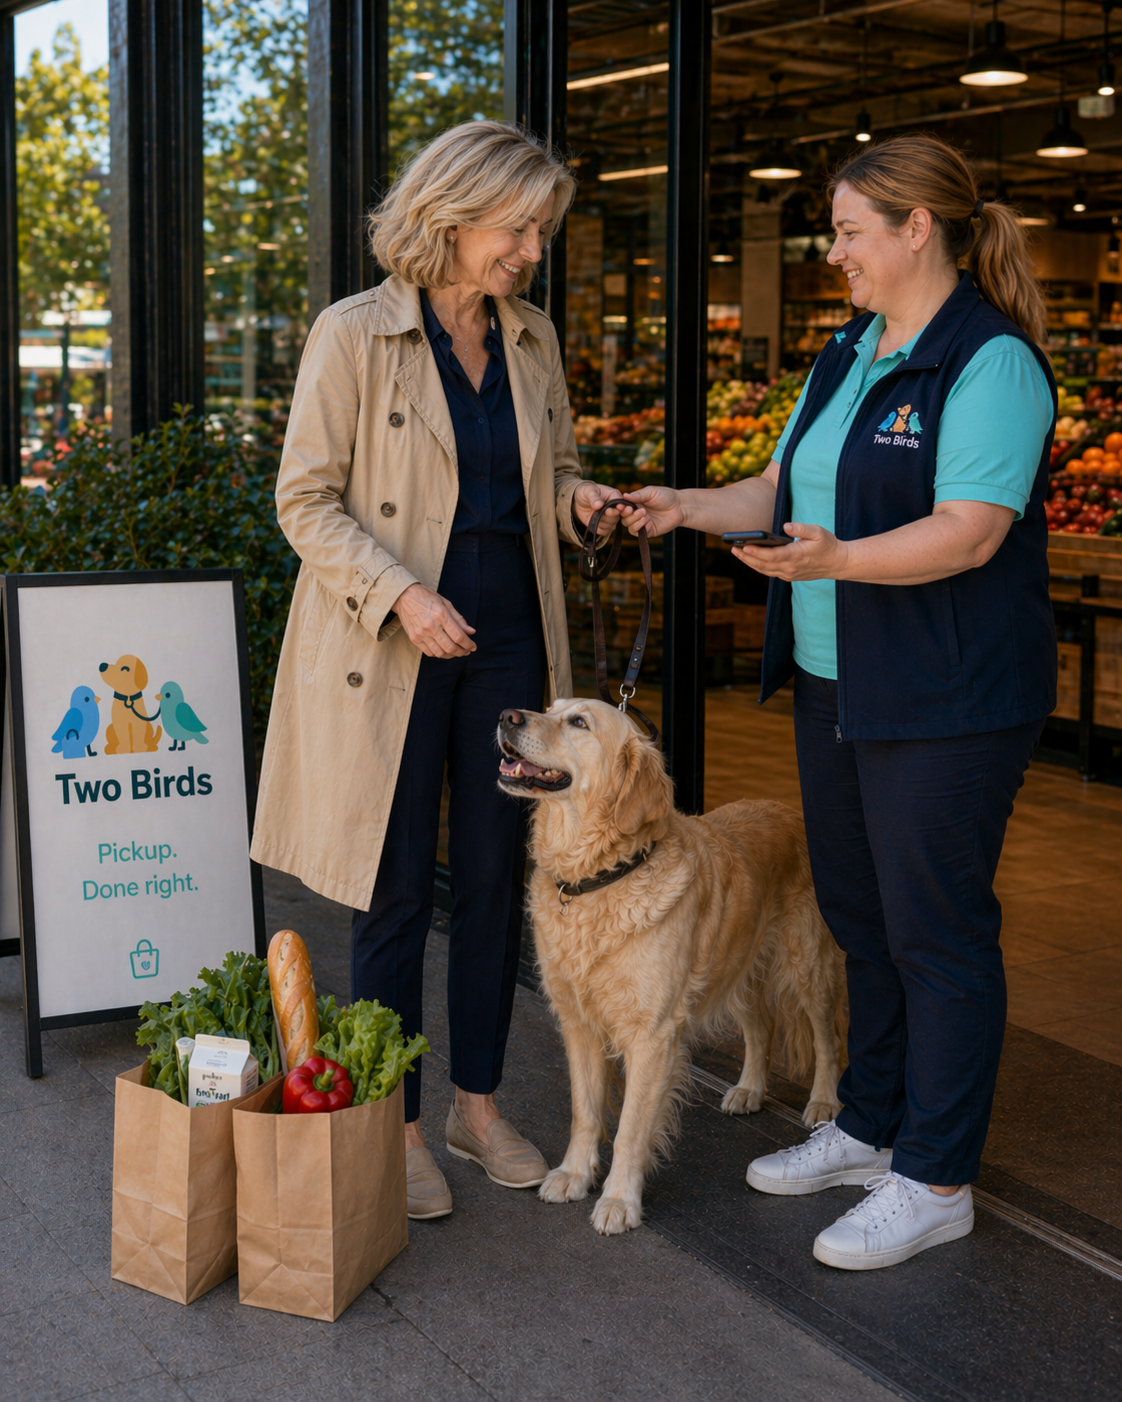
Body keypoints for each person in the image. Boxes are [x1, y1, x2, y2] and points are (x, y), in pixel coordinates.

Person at [621, 135, 1056, 1270]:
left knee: (937, 932)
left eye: (853, 231)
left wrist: (840, 562)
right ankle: (870, 1124)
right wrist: (686, 507)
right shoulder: (849, 349)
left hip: (947, 699)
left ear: (919, 229)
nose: (837, 251)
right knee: (863, 920)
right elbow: (779, 486)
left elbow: (971, 528)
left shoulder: (991, 361)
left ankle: (937, 1174)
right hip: (839, 684)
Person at [251, 121, 622, 1220]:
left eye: (540, 230)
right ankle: (393, 1120)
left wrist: (582, 502)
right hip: (396, 642)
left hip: (511, 637)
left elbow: (549, 471)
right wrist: (401, 594)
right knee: (397, 881)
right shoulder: (355, 334)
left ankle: (478, 1104)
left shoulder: (534, 337)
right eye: (517, 228)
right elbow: (303, 499)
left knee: (500, 876)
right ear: (451, 216)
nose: (531, 250)